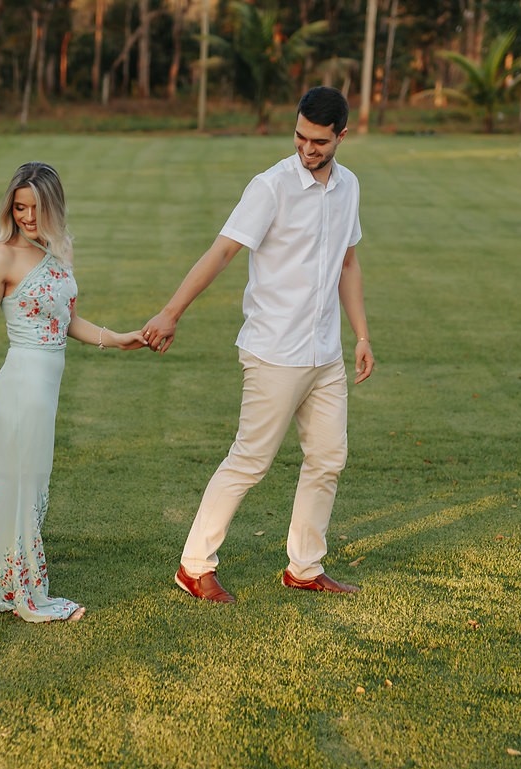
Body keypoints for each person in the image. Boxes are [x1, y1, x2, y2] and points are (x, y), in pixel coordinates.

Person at [141, 87, 375, 604]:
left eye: (318, 140)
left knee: (329, 459)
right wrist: (171, 312)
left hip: (325, 354)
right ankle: (193, 566)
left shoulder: (349, 187)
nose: (306, 148)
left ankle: (305, 567)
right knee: (250, 461)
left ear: (341, 135)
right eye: (299, 136)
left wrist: (360, 334)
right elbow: (222, 252)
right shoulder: (270, 187)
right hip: (274, 352)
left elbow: (348, 263)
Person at [0, 162, 145, 623]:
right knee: (14, 488)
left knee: (26, 488)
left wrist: (118, 338)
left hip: (46, 392)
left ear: (54, 208)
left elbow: (67, 322)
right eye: (19, 207)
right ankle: (25, 594)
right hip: (20, 388)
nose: (26, 216)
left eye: (35, 208)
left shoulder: (60, 252)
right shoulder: (0, 258)